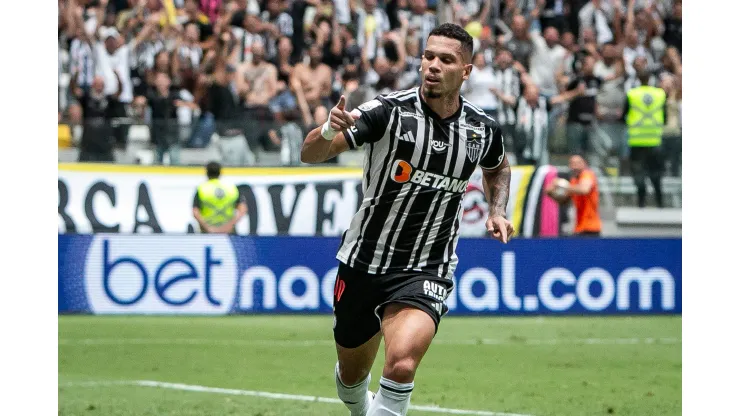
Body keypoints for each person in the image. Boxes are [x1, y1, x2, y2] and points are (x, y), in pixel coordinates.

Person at [300, 23, 513, 416]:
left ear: (465, 71)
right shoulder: (387, 112)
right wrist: (329, 127)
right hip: (364, 260)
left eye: (445, 59)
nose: (432, 65)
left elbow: (498, 168)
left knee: (401, 364)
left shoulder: (482, 129)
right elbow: (311, 154)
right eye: (428, 56)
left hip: (426, 266)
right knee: (351, 377)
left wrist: (498, 210)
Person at [624, 69, 666, 208]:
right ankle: (660, 204)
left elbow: (624, 115)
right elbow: (664, 116)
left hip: (636, 140)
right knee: (656, 174)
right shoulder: (660, 94)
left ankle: (641, 204)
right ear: (651, 79)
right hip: (655, 140)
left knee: (639, 174)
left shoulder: (632, 94)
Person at [545, 154, 603, 237]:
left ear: (584, 163)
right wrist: (550, 192)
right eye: (572, 163)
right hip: (579, 228)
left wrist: (561, 184)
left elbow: (584, 190)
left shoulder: (587, 174)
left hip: (591, 228)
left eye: (578, 163)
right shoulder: (573, 181)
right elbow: (563, 201)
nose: (575, 166)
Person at [192, 161, 247, 234]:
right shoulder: (231, 188)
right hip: (229, 232)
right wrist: (229, 225)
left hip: (208, 231)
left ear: (206, 172)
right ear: (220, 172)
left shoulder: (202, 189)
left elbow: (195, 212)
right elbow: (242, 210)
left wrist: (208, 227)